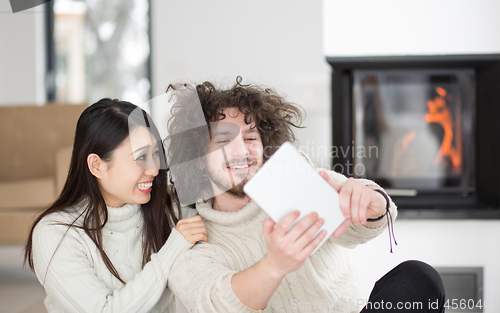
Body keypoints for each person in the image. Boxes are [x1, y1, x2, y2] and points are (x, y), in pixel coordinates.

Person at [164, 78, 445, 313]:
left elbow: (361, 225)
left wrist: (373, 203)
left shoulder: (292, 178)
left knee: (419, 279)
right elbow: (215, 304)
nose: (242, 151)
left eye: (250, 138)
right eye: (224, 140)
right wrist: (275, 265)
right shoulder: (190, 235)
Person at [24, 99, 207, 312]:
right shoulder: (55, 234)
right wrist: (173, 247)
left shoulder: (168, 208)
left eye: (155, 154)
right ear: (97, 166)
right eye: (140, 157)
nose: (154, 170)